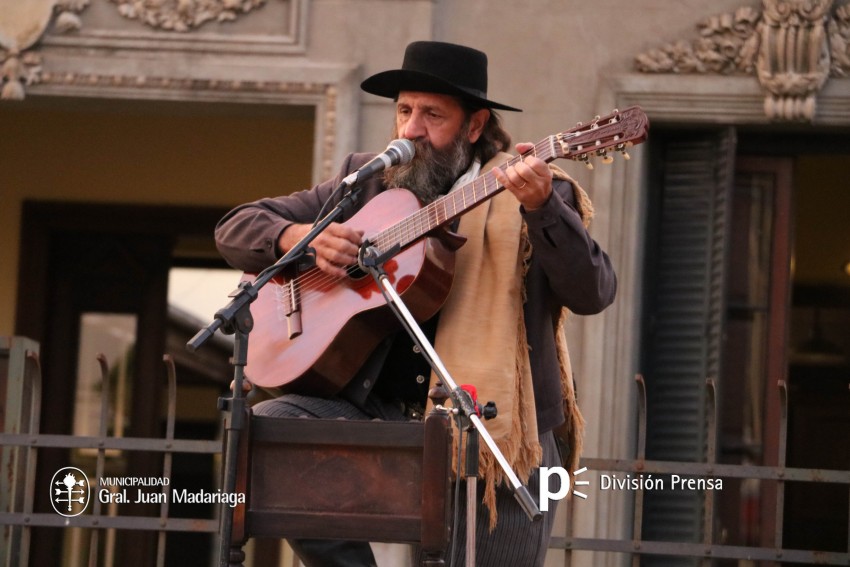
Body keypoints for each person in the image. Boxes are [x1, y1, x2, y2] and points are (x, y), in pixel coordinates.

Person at [214, 40, 616, 567]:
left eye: (432, 114)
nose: (411, 129)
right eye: (404, 110)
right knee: (276, 430)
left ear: (475, 126)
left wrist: (542, 211)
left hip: (493, 431)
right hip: (378, 416)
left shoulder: (536, 196)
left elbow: (593, 292)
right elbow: (236, 226)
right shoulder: (364, 181)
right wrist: (299, 238)